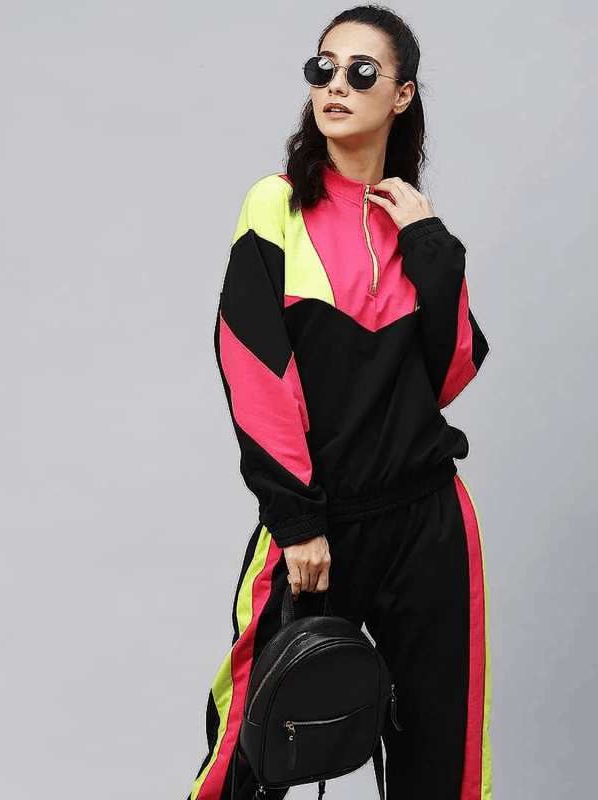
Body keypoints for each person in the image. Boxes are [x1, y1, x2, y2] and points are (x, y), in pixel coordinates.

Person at [185, 5, 493, 800]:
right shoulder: (276, 205)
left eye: (362, 72)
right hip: (321, 521)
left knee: (444, 754)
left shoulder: (414, 225)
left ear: (402, 95)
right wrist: (296, 519)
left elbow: (449, 375)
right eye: (323, 68)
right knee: (249, 748)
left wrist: (433, 250)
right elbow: (253, 368)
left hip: (428, 521)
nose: (336, 85)